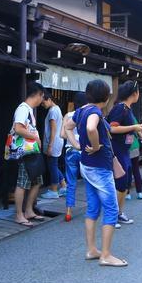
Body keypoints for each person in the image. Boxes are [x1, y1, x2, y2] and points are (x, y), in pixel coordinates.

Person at [75, 79, 126, 267]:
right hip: (99, 168)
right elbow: (90, 127)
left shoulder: (80, 111)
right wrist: (95, 146)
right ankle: (105, 255)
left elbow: (67, 127)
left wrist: (77, 145)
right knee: (111, 209)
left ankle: (91, 250)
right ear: (106, 97)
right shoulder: (95, 112)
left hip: (87, 166)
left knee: (93, 208)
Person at [107, 81, 142, 226]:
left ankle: (119, 213)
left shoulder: (126, 108)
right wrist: (134, 126)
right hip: (117, 150)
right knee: (120, 183)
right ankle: (113, 215)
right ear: (134, 94)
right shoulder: (120, 108)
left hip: (125, 150)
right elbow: (113, 129)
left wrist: (136, 128)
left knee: (125, 183)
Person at [11, 82, 45, 226]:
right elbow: (18, 128)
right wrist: (35, 137)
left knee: (37, 180)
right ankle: (19, 215)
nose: (42, 100)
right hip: (25, 152)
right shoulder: (23, 109)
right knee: (23, 183)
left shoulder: (28, 110)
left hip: (31, 151)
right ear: (38, 95)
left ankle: (29, 210)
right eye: (42, 96)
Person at [62, 91, 87, 222]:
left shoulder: (68, 115)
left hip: (70, 151)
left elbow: (62, 134)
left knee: (71, 182)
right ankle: (91, 209)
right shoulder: (88, 114)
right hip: (84, 151)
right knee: (89, 180)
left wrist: (72, 138)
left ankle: (68, 211)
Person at [40, 91, 65, 200]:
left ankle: (54, 190)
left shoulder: (52, 111)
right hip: (57, 141)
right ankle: (63, 186)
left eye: (43, 102)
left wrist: (50, 145)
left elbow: (53, 129)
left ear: (49, 99)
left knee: (52, 166)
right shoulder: (57, 109)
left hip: (53, 142)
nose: (42, 105)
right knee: (54, 165)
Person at [127, 103, 142, 200]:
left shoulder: (122, 119)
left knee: (128, 171)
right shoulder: (132, 118)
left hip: (127, 148)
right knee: (136, 170)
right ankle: (139, 192)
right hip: (135, 146)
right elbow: (139, 132)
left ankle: (127, 193)